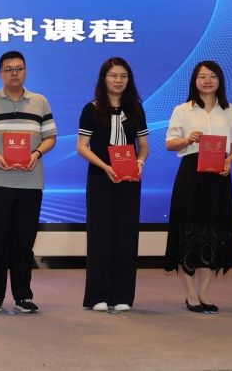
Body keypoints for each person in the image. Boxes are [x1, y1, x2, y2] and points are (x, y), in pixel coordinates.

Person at [0, 50, 57, 314]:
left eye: (19, 68)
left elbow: (50, 137)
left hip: (30, 182)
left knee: (24, 242)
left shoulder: (40, 102)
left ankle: (23, 296)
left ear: (25, 71)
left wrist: (36, 153)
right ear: (0, 73)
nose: (14, 73)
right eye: (9, 69)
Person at [164, 60, 232, 314]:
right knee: (188, 232)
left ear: (220, 80)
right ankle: (190, 294)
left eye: (212, 76)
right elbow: (169, 143)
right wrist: (187, 140)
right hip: (191, 175)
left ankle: (204, 293)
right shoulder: (183, 110)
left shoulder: (230, 109)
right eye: (202, 77)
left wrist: (229, 160)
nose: (207, 81)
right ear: (194, 81)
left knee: (214, 232)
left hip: (219, 176)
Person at [76, 58, 149, 313]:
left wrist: (140, 162)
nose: (118, 80)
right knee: (100, 236)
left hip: (129, 180)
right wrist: (106, 166)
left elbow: (144, 146)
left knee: (126, 236)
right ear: (104, 79)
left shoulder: (136, 109)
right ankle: (98, 295)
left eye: (123, 76)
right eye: (113, 75)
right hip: (100, 179)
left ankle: (122, 296)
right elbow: (82, 147)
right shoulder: (91, 109)